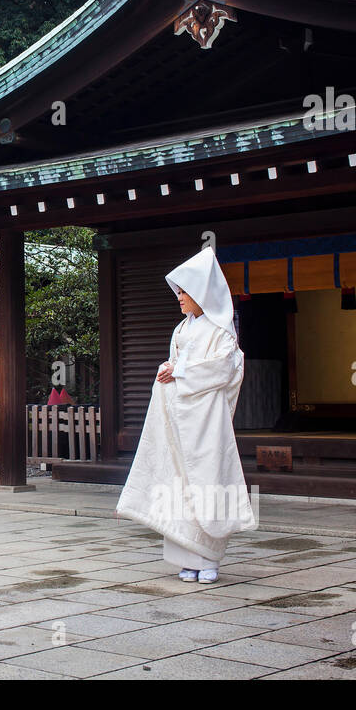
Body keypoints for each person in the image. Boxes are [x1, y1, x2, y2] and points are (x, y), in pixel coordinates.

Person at [114, 246, 256, 584]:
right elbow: (175, 366)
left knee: (206, 479)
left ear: (202, 294)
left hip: (206, 421)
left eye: (185, 292)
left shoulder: (220, 330)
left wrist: (180, 373)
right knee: (177, 482)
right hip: (180, 418)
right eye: (178, 291)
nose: (179, 298)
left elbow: (224, 368)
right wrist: (169, 370)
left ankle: (208, 558)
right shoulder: (182, 329)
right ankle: (186, 557)